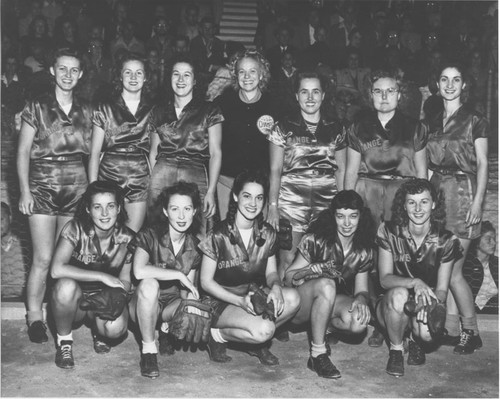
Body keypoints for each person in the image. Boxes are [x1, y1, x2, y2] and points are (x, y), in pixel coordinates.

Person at [344, 70, 429, 347]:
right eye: (378, 91)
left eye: (390, 91)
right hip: (367, 192)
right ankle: (376, 318)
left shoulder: (414, 127)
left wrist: (419, 209)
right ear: (370, 96)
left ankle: (399, 320)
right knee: (368, 257)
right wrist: (347, 203)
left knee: (398, 256)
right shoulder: (358, 126)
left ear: (399, 95)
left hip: (400, 195)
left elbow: (421, 173)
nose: (384, 96)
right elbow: (351, 171)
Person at [17, 47, 92, 343]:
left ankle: (58, 312)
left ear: (81, 74)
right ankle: (34, 316)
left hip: (76, 185)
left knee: (65, 258)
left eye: (74, 70)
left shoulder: (87, 109)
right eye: (63, 69)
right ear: (52, 71)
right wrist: (24, 190)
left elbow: (96, 150)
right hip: (43, 184)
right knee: (43, 257)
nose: (68, 75)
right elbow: (23, 151)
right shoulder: (36, 105)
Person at [199, 170, 300, 365]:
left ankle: (253, 337)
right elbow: (205, 282)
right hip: (219, 302)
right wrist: (238, 301)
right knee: (264, 330)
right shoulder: (218, 234)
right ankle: (217, 335)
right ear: (236, 196)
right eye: (247, 196)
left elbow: (271, 273)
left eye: (259, 198)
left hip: (252, 295)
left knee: (294, 298)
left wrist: (277, 286)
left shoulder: (267, 233)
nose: (253, 204)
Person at [426, 64, 489, 354]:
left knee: (454, 272)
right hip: (438, 194)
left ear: (464, 85)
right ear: (437, 85)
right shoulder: (432, 119)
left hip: (463, 193)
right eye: (444, 79)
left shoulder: (475, 119)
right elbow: (428, 164)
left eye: (456, 80)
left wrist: (478, 201)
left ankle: (471, 332)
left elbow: (483, 163)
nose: (450, 85)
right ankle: (451, 329)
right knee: (442, 267)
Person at [283, 190, 376, 379]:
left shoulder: (364, 248)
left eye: (353, 216)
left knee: (358, 322)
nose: (347, 223)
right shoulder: (316, 239)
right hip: (300, 306)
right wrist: (309, 271)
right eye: (341, 216)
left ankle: (325, 328)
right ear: (333, 216)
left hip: (330, 302)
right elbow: (288, 277)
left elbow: (362, 290)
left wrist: (360, 300)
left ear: (361, 217)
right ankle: (317, 354)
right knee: (326, 284)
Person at [375, 179, 462, 377]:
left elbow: (441, 289)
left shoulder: (447, 240)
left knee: (427, 333)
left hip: (423, 301)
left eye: (424, 202)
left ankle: (414, 339)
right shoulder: (388, 231)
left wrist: (432, 306)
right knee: (398, 294)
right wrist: (415, 282)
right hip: (391, 303)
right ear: (404, 206)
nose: (418, 208)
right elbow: (384, 279)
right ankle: (396, 350)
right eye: (411, 202)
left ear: (433, 204)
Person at [267, 71, 347, 276]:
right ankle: (284, 304)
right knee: (288, 259)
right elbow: (275, 170)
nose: (310, 98)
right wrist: (273, 207)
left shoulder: (336, 128)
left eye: (315, 92)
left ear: (323, 95)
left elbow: (342, 170)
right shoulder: (282, 127)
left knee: (323, 259)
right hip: (291, 201)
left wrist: (343, 205)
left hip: (327, 202)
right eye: (304, 92)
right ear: (296, 96)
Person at [50, 181, 135, 369]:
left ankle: (100, 332)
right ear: (88, 209)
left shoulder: (128, 238)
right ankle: (64, 342)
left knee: (116, 329)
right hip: (76, 301)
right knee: (65, 286)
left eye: (110, 206)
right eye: (97, 207)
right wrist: (101, 276)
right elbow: (56, 269)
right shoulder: (75, 228)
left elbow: (126, 279)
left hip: (103, 300)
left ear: (119, 208)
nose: (105, 214)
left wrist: (119, 296)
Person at [129, 181, 202, 379]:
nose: (181, 216)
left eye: (187, 209)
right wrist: (178, 274)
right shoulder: (149, 234)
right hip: (142, 304)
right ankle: (148, 350)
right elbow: (139, 271)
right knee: (150, 284)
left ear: (194, 211)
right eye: (174, 209)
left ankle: (166, 331)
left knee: (191, 304)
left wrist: (189, 310)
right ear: (165, 211)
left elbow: (187, 291)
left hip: (170, 304)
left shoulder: (195, 247)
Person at [148, 56, 223, 238]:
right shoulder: (158, 111)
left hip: (195, 171)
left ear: (195, 80)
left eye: (186, 75)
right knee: (159, 229)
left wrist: (211, 191)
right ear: (170, 79)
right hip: (162, 172)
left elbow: (215, 153)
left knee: (199, 230)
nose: (181, 80)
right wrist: (153, 182)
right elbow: (153, 152)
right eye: (176, 74)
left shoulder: (210, 110)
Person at [88, 53, 153, 233]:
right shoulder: (104, 107)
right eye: (128, 72)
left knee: (130, 237)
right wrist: (93, 189)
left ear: (146, 77)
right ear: (119, 75)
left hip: (140, 176)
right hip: (109, 173)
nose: (133, 78)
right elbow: (94, 153)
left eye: (139, 73)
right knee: (106, 235)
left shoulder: (154, 109)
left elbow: (156, 151)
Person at [215, 50, 279, 219]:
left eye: (252, 71)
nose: (247, 76)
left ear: (261, 74)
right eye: (241, 71)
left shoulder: (274, 106)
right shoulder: (222, 104)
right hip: (226, 183)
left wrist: (273, 202)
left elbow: (277, 159)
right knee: (226, 236)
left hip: (260, 187)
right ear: (235, 75)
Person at [463, 221, 498, 313]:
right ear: (477, 242)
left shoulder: (497, 264)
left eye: (494, 238)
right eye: (488, 239)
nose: (493, 243)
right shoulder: (465, 266)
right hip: (470, 314)